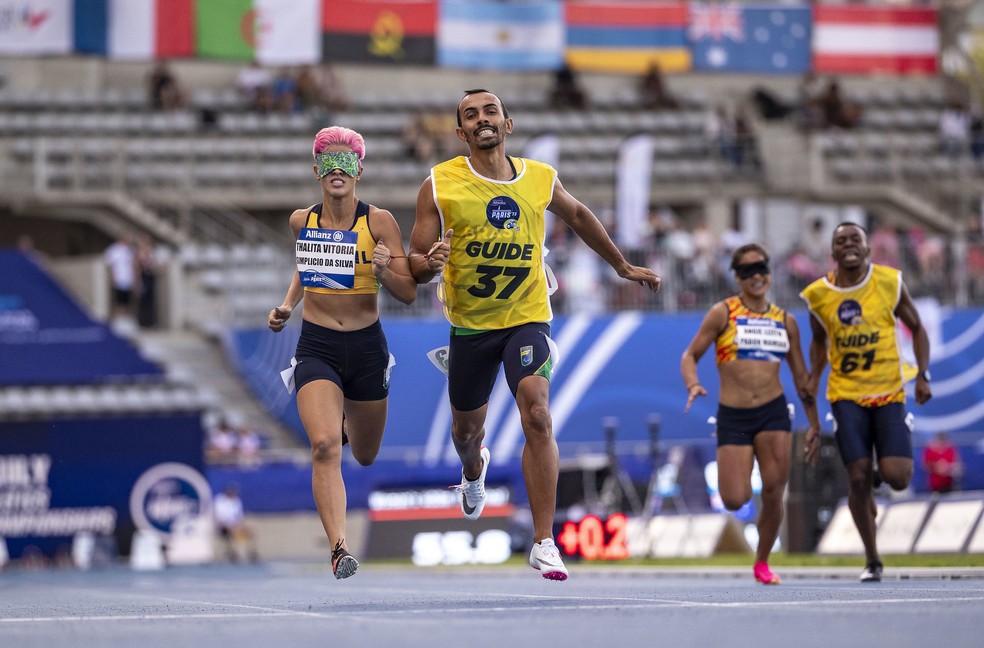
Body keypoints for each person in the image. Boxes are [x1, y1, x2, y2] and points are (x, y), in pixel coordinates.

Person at [408, 89, 661, 581]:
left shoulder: (540, 177)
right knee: (466, 434)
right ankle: (472, 470)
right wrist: (427, 263)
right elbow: (416, 263)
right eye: (471, 115)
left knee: (538, 413)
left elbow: (581, 216)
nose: (482, 119)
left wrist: (623, 266)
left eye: (490, 112)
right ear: (461, 133)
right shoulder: (439, 184)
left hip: (527, 317)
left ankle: (545, 541)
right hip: (470, 327)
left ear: (508, 123)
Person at [268, 126, 416, 579]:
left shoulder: (380, 222)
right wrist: (288, 306)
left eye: (346, 161)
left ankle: (350, 420)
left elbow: (409, 292)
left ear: (359, 171)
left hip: (367, 345)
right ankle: (338, 547)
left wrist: (385, 271)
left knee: (365, 454)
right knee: (324, 446)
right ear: (316, 171)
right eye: (328, 161)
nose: (337, 168)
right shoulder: (301, 221)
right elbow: (307, 265)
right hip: (317, 345)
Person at [800, 222, 932, 583]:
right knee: (855, 478)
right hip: (846, 396)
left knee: (898, 477)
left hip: (889, 392)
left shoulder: (889, 282)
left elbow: (917, 327)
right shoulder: (818, 294)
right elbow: (817, 340)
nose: (848, 245)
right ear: (833, 252)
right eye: (840, 240)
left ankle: (875, 476)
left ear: (868, 248)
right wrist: (814, 374)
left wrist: (923, 373)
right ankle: (872, 559)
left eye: (855, 239)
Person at [681, 243, 819, 585]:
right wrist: (693, 383)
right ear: (737, 278)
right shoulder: (722, 313)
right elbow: (689, 355)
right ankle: (759, 552)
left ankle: (763, 562)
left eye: (761, 268)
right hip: (734, 416)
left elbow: (801, 378)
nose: (756, 276)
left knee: (774, 491)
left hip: (773, 412)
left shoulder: (785, 321)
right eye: (747, 271)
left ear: (769, 273)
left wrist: (814, 423)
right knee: (734, 498)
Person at [213, 483, 259, 563]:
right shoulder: (219, 500)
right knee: (234, 530)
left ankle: (251, 553)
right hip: (223, 526)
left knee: (251, 528)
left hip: (235, 525)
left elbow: (239, 517)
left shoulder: (236, 500)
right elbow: (219, 518)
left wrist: (240, 524)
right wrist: (230, 525)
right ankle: (235, 554)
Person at [103, 232, 137, 322]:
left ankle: (125, 319)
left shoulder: (130, 250)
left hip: (128, 279)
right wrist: (112, 277)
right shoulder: (113, 250)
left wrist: (135, 279)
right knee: (118, 300)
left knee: (127, 301)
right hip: (119, 279)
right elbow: (110, 265)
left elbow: (133, 265)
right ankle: (118, 319)